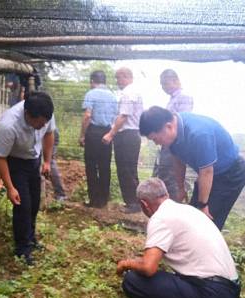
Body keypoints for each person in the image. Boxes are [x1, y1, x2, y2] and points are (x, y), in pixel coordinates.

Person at [117, 178, 240, 298]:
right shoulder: (187, 210)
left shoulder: (161, 218)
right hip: (229, 290)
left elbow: (148, 268)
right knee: (170, 278)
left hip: (213, 295)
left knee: (133, 281)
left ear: (144, 204)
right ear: (166, 194)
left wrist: (127, 264)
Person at [139, 106, 245, 230]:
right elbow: (178, 160)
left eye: (155, 139)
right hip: (208, 175)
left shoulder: (199, 133)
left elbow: (207, 171)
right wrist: (181, 187)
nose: (156, 143)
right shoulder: (173, 135)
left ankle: (209, 247)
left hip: (230, 175)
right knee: (192, 217)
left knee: (207, 223)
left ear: (168, 126)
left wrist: (203, 205)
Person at [0, 92, 55, 265]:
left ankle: (30, 239)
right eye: (39, 123)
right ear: (28, 114)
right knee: (23, 205)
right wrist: (10, 187)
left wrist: (47, 162)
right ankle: (22, 249)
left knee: (34, 203)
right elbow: (0, 158)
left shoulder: (45, 113)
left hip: (33, 161)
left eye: (45, 121)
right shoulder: (9, 125)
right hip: (15, 163)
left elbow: (49, 134)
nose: (43, 125)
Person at [102, 67, 144, 214]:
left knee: (126, 170)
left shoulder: (128, 93)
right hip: (130, 135)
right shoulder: (133, 92)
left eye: (118, 78)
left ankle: (133, 204)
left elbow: (123, 116)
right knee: (129, 170)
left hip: (127, 135)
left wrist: (111, 134)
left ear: (125, 76)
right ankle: (135, 202)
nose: (117, 81)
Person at [153, 69, 194, 200]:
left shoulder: (184, 97)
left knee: (171, 176)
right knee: (163, 173)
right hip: (167, 143)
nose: (163, 87)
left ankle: (174, 204)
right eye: (161, 84)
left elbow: (182, 119)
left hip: (174, 144)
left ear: (175, 80)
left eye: (165, 83)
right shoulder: (172, 99)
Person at [80, 70, 118, 207]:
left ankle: (93, 200)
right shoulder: (113, 96)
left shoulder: (91, 94)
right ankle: (103, 200)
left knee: (91, 166)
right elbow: (115, 117)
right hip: (108, 132)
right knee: (104, 166)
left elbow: (87, 116)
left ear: (92, 81)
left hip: (94, 132)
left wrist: (82, 135)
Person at [50, 128, 67, 201]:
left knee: (49, 161)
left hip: (48, 132)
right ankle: (60, 194)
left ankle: (60, 194)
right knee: (50, 161)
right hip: (53, 130)